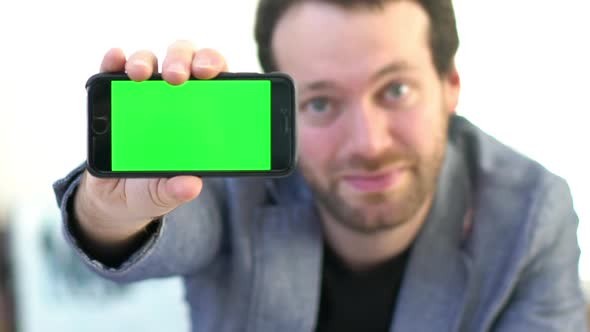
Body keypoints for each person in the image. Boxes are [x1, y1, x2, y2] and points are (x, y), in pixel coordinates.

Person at [53, 0, 587, 331]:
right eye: (321, 102)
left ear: (451, 87)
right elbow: (156, 236)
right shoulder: (236, 178)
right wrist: (107, 214)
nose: (368, 143)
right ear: (284, 105)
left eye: (396, 90)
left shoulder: (533, 215)